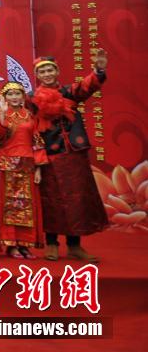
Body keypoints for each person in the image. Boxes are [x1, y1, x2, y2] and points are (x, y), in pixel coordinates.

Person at [30, 51, 109, 262]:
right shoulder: (33, 100)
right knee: (52, 200)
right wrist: (37, 160)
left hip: (74, 153)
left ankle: (74, 245)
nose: (47, 74)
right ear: (37, 75)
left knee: (76, 200)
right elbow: (32, 131)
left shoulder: (68, 92)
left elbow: (86, 86)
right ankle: (52, 243)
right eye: (42, 71)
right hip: (51, 156)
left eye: (50, 70)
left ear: (57, 71)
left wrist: (98, 71)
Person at [0, 82, 47, 259]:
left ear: (23, 97)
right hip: (6, 165)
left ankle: (25, 244)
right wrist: (1, 116)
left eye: (18, 94)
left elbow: (37, 142)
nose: (14, 97)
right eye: (10, 94)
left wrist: (38, 169)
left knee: (26, 206)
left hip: (27, 165)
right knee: (9, 206)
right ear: (4, 97)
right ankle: (11, 244)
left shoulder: (30, 116)